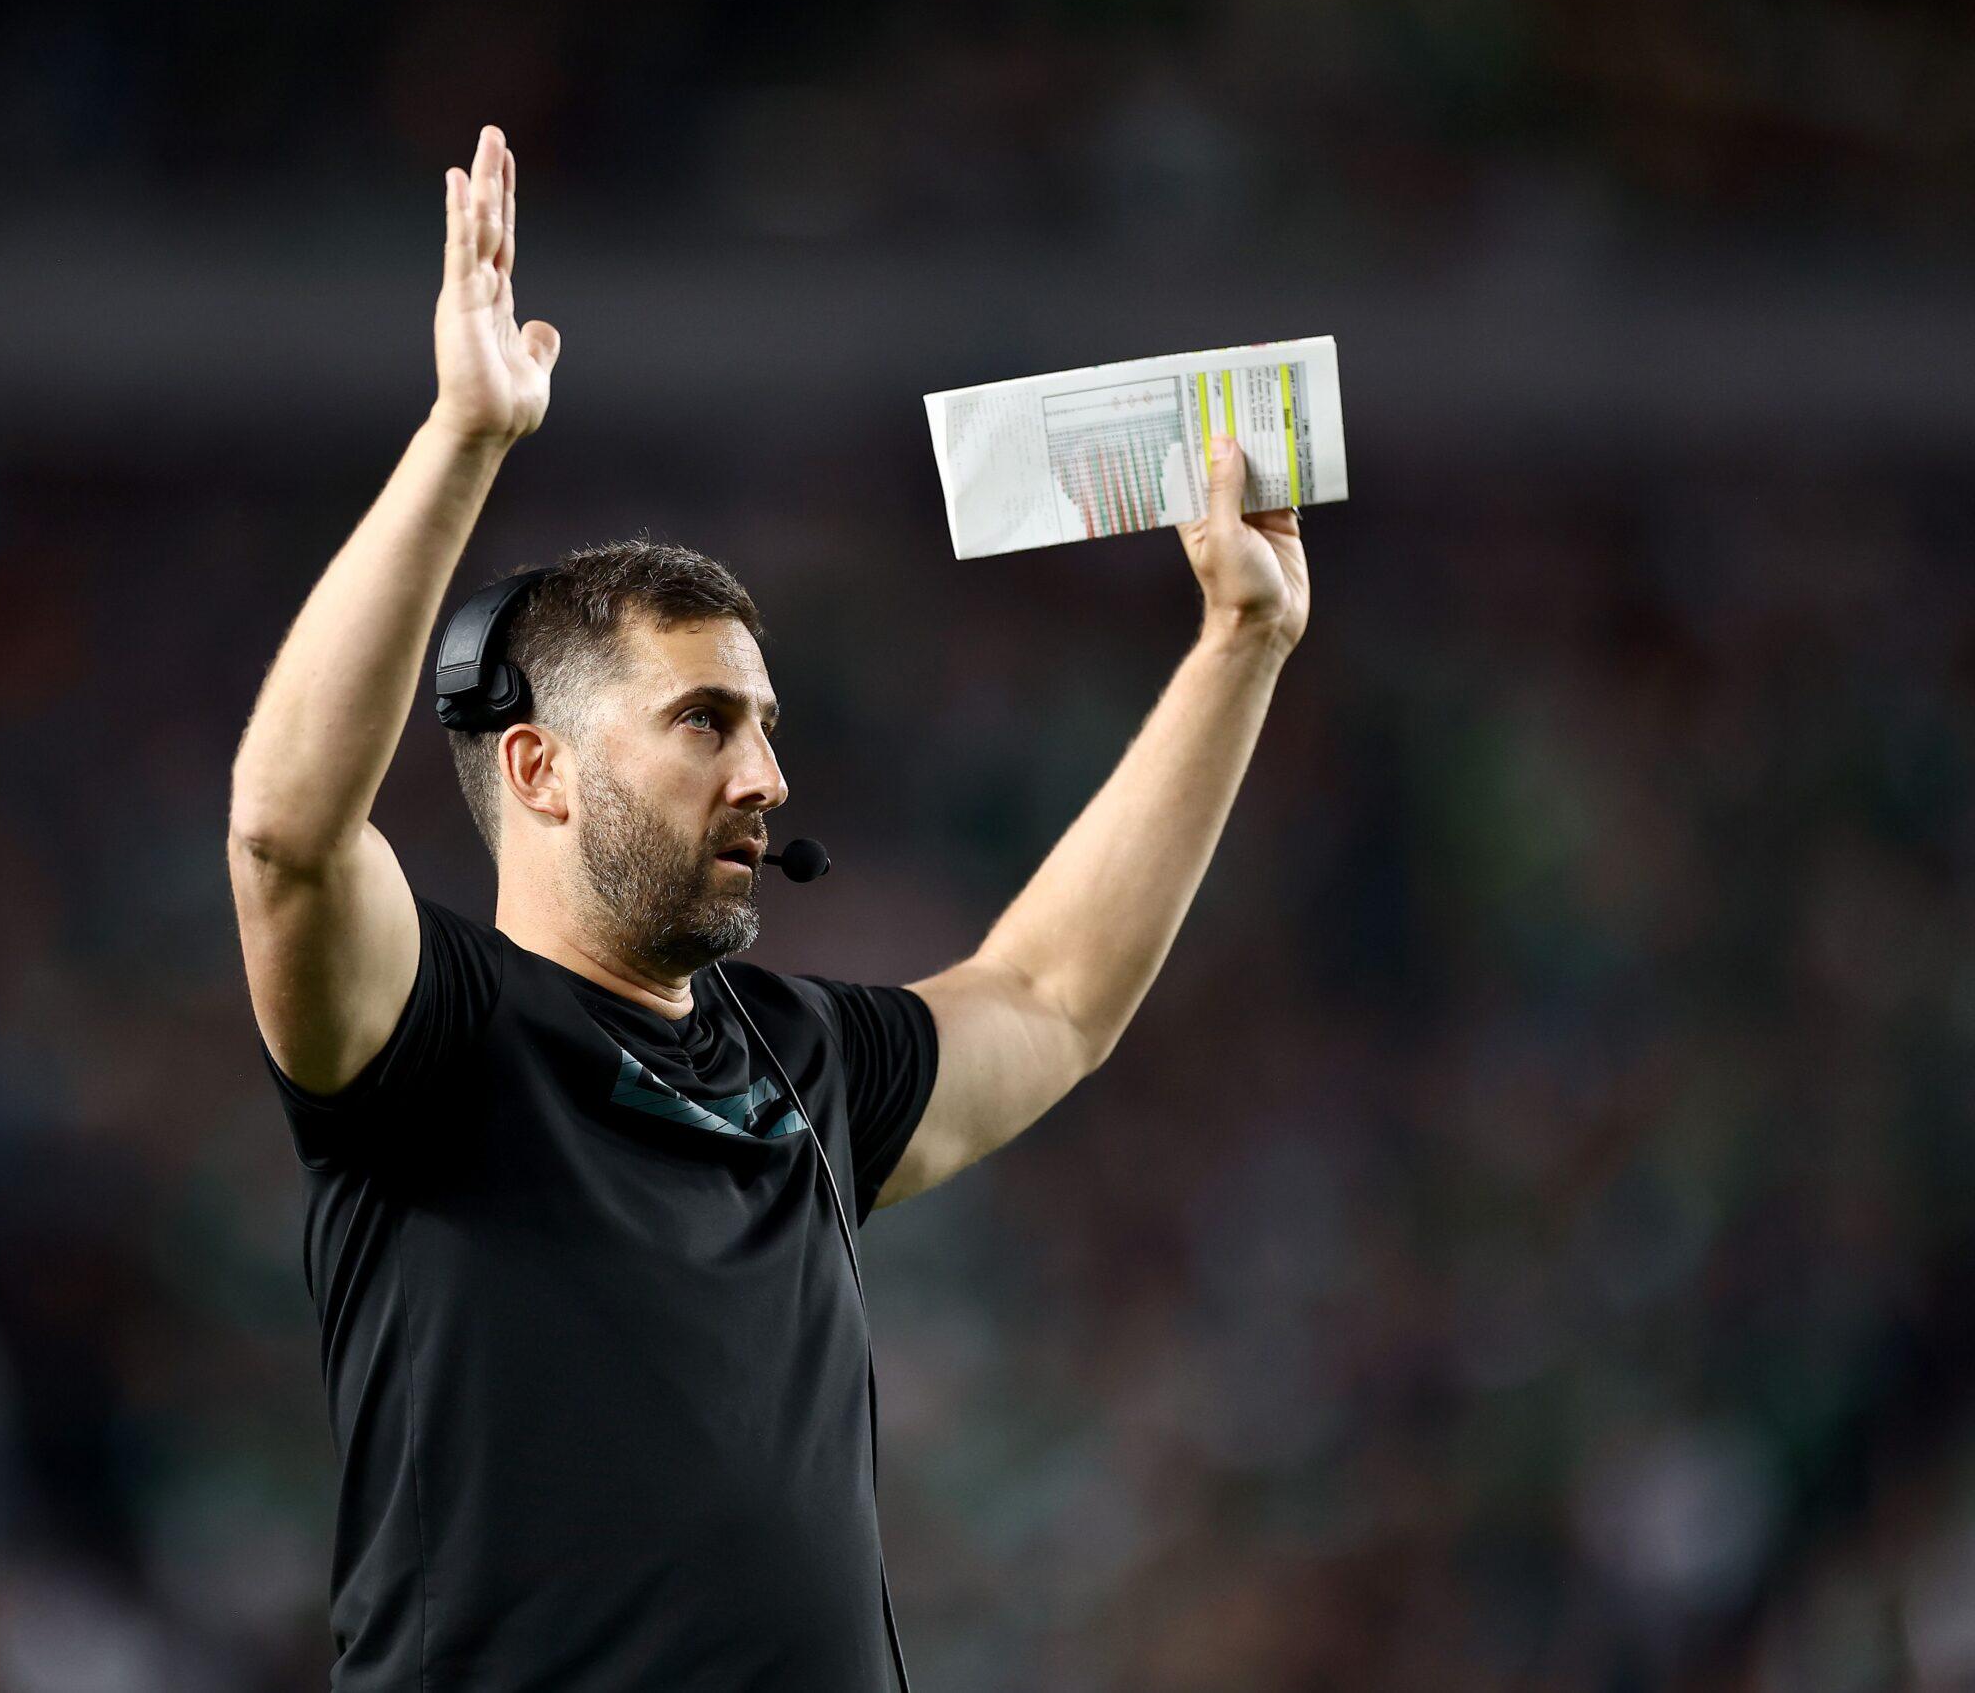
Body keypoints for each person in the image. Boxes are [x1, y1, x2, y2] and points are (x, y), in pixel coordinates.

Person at [226, 122, 1310, 1692]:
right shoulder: (434, 1043)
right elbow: (286, 841)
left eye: (768, 727)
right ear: (536, 766)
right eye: (704, 723)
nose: (766, 776)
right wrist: (465, 440)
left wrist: (1240, 648)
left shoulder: (795, 1065)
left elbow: (1054, 997)